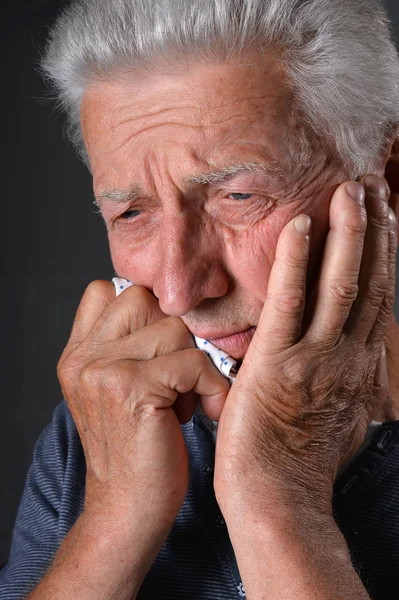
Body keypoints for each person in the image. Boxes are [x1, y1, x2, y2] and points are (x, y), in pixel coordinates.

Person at [1, 0, 399, 598]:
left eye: (238, 196)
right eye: (131, 212)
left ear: (387, 183)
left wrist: (278, 504)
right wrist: (113, 518)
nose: (180, 288)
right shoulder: (104, 425)